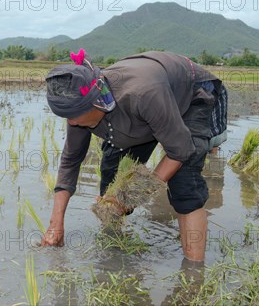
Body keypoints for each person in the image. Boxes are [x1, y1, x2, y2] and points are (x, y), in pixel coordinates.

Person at [41, 49, 227, 262]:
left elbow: (179, 152)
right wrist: (56, 224)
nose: (71, 123)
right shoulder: (77, 108)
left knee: (185, 185)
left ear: (97, 101)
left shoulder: (143, 94)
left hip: (188, 95)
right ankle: (113, 253)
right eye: (67, 118)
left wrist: (129, 200)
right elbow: (71, 159)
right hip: (144, 109)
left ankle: (193, 273)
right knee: (111, 177)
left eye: (74, 117)